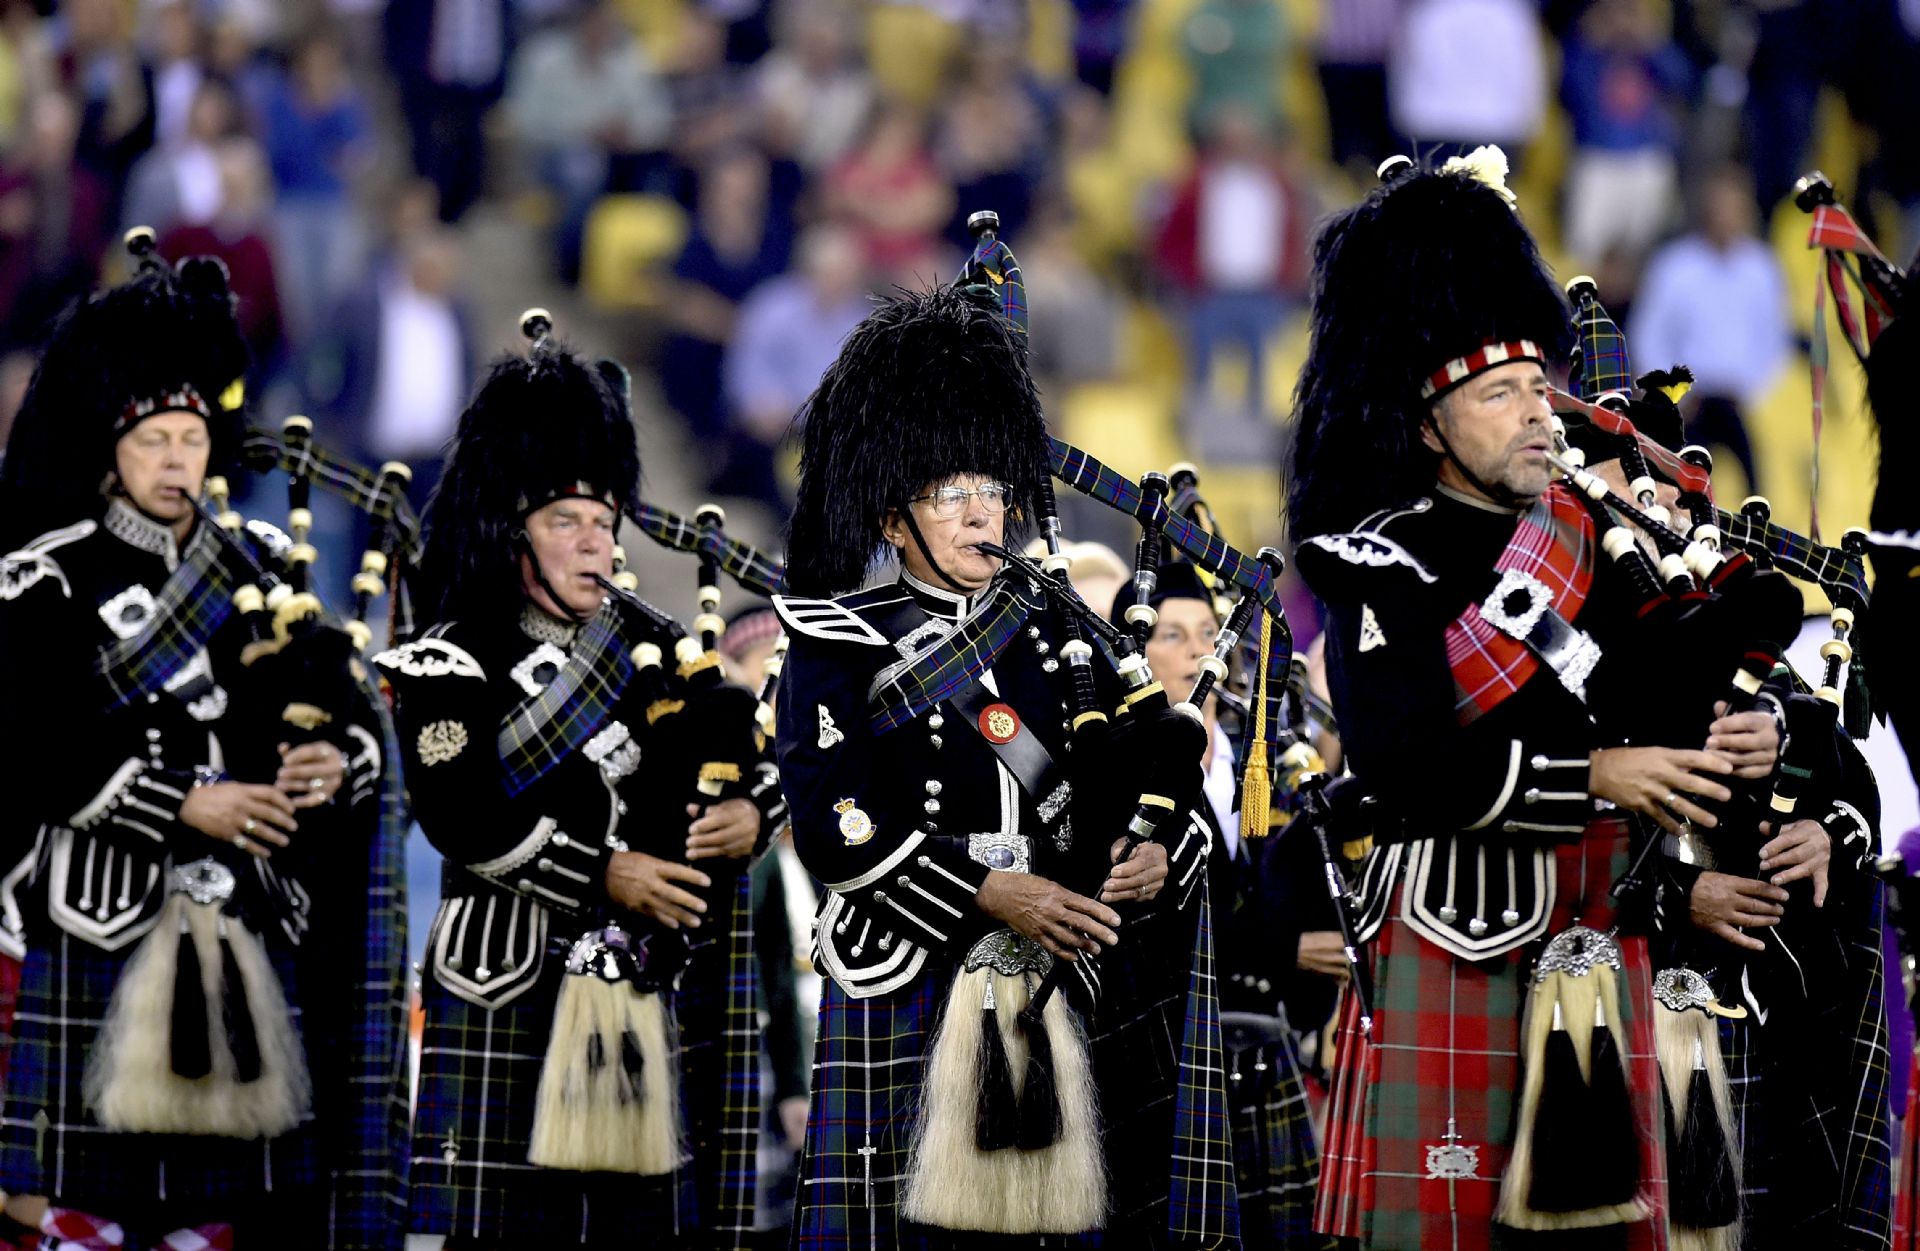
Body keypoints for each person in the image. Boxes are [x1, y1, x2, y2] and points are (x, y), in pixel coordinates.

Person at [1287, 151, 1778, 1251]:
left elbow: (1660, 697)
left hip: (1598, 931)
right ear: (1428, 425)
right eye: (1497, 396)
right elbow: (1402, 763)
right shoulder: (1376, 563)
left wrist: (1752, 720)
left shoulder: (1595, 545)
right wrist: (1596, 775)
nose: (1536, 418)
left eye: (1534, 390)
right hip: (1452, 934)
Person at [772, 280, 1238, 1248]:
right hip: (908, 976)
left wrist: (1159, 852)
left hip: (1047, 984)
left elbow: (1144, 768)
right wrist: (989, 891)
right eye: (955, 493)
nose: (985, 514)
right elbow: (833, 817)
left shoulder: (1061, 629)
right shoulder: (836, 641)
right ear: (896, 517)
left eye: (995, 489)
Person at [0, 236, 409, 1247]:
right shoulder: (45, 579)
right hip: (90, 927)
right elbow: (28, 744)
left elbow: (348, 723)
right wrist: (186, 799)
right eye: (154, 443)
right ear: (110, 454)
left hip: (242, 929)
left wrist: (334, 765)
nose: (179, 460)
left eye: (191, 438)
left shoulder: (263, 569)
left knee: (222, 1218)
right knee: (78, 1212)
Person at [375, 315, 775, 1248]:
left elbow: (751, 760)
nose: (595, 544)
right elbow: (462, 818)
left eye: (604, 521)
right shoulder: (449, 657)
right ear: (515, 532)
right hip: (501, 987)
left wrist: (753, 813)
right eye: (568, 522)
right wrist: (608, 872)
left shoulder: (663, 649)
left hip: (637, 988)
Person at [1111, 557, 1342, 1249]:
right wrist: (1282, 948)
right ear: (1135, 654)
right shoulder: (1123, 764)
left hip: (1270, 1043)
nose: (1194, 649)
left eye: (1207, 631)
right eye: (1171, 634)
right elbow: (1144, 917)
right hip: (1174, 1050)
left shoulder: (1263, 762)